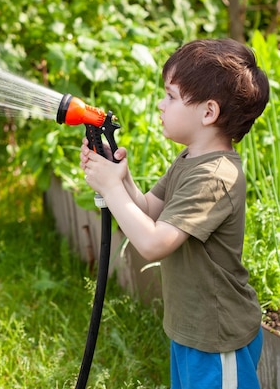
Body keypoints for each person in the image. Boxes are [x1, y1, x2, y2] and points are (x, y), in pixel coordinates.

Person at [79, 38, 270, 388]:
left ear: (208, 112)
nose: (160, 104)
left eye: (171, 96)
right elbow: (150, 209)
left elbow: (154, 243)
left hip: (217, 339)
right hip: (190, 331)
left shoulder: (216, 176)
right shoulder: (190, 160)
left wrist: (109, 189)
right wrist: (121, 179)